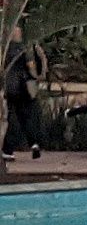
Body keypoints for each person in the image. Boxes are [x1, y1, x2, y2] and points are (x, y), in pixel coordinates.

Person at [3, 19, 47, 161]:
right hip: (25, 87)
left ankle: (9, 150)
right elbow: (32, 67)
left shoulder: (5, 48)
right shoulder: (25, 48)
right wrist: (38, 76)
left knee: (14, 118)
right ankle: (33, 143)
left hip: (11, 87)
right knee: (29, 117)